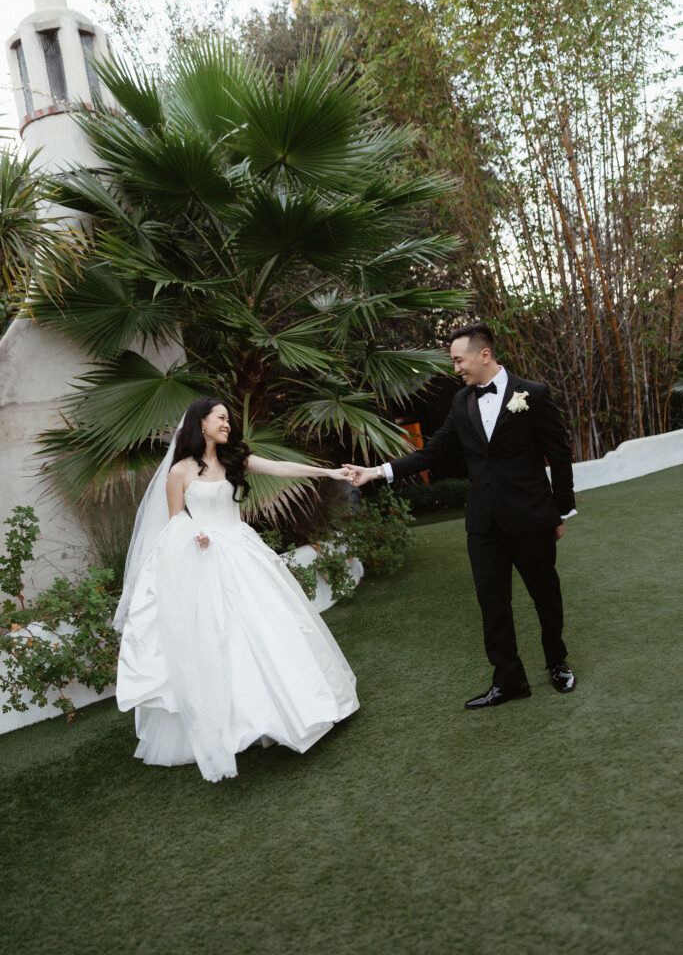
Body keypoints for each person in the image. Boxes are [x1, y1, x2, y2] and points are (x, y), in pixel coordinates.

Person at [114, 397, 359, 781]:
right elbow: (174, 523)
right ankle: (233, 720)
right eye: (221, 418)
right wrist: (195, 535)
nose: (228, 424)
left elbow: (278, 468)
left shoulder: (233, 461)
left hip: (244, 553)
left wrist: (328, 473)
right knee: (219, 640)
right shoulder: (179, 471)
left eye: (229, 419)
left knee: (268, 630)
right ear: (201, 424)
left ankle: (291, 708)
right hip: (206, 562)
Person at [344, 322, 577, 709]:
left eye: (458, 360)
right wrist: (377, 472)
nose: (456, 369)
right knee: (492, 603)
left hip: (531, 518)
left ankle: (557, 663)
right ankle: (509, 680)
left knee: (545, 596)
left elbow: (560, 451)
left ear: (484, 354)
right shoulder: (461, 402)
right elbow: (431, 453)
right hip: (483, 524)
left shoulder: (533, 395)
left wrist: (560, 510)